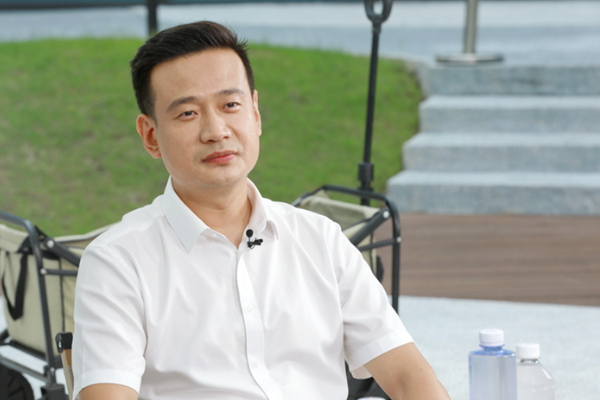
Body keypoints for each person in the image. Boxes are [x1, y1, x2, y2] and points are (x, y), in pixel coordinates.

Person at [72, 21, 450, 400]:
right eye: (187, 113)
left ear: (255, 113)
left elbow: (408, 377)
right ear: (151, 136)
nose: (216, 131)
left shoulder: (321, 239)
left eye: (230, 105)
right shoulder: (117, 261)